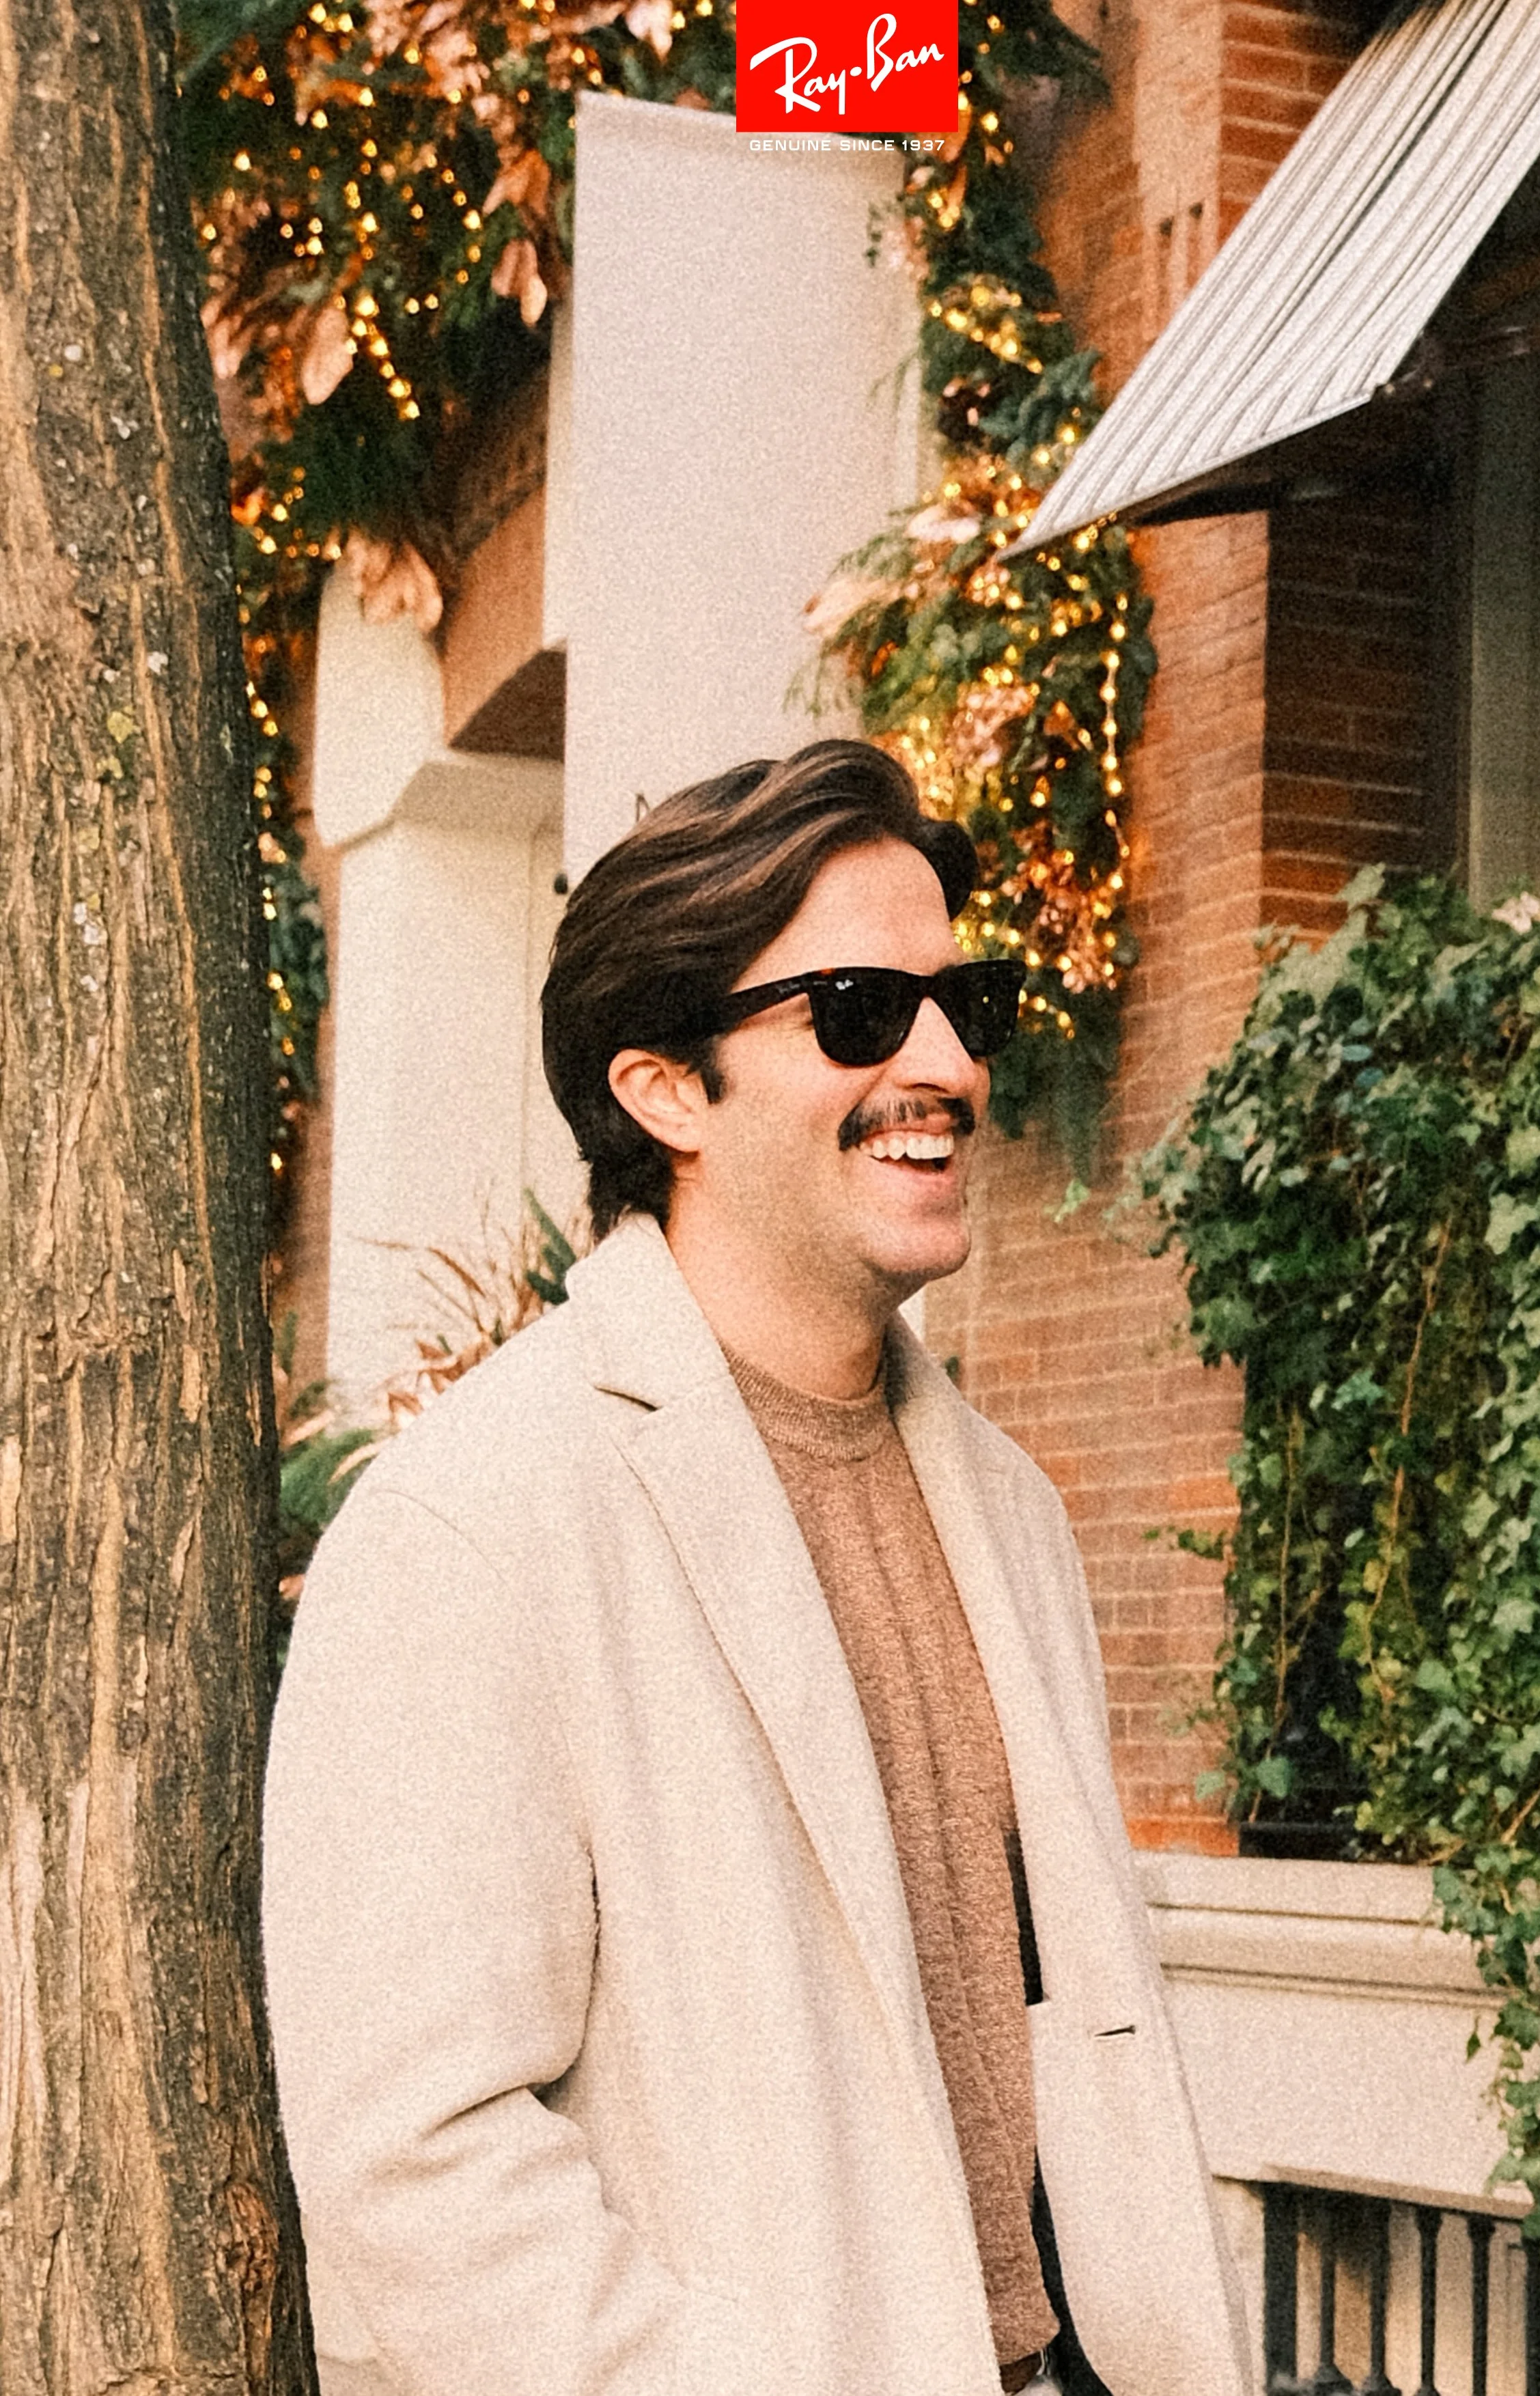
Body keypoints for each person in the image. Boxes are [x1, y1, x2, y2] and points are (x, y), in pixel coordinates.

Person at [262, 740, 1252, 2396]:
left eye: (965, 1003)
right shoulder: (477, 1520)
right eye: (860, 1010)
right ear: (664, 1088)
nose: (944, 1062)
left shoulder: (1010, 1510)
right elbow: (419, 2157)